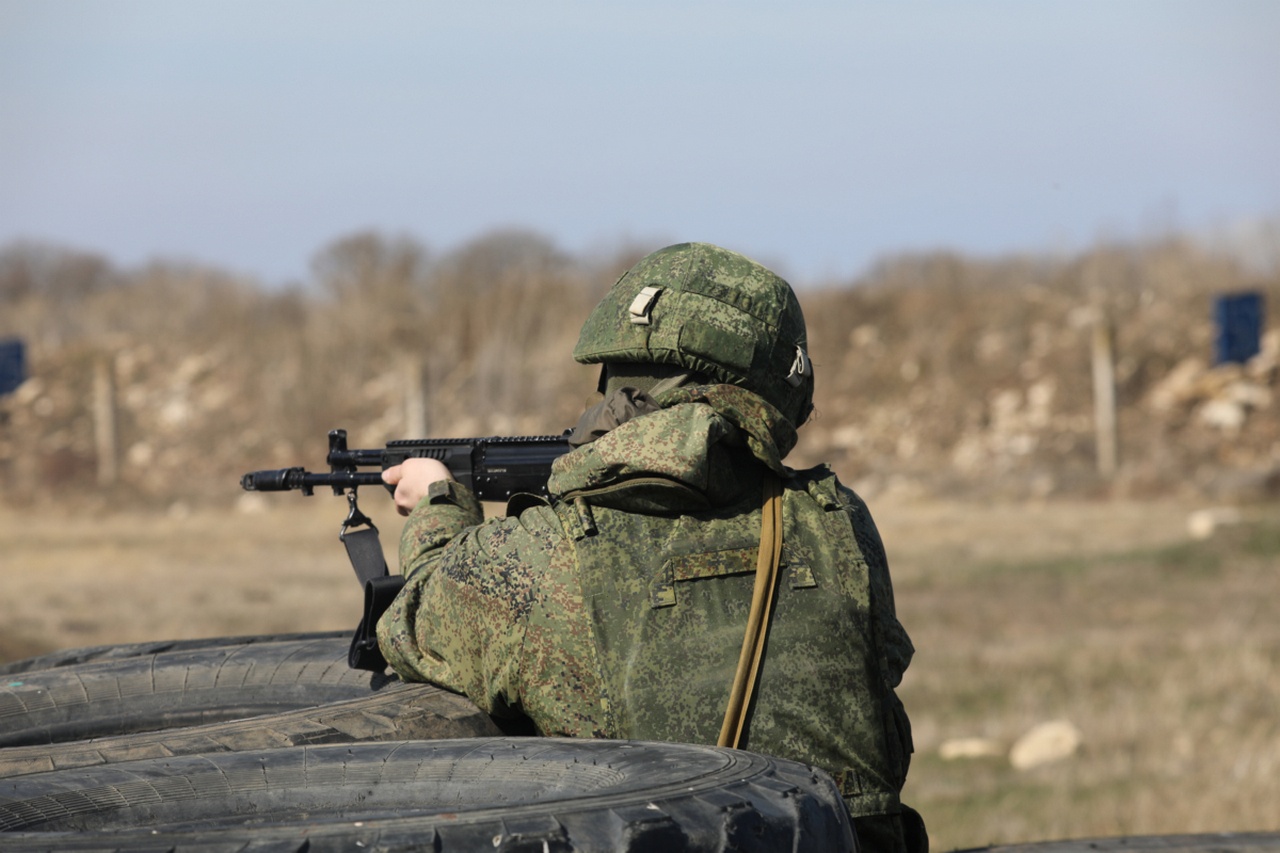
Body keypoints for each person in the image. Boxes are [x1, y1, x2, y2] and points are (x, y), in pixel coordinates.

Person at [376, 242, 927, 853]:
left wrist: (437, 506)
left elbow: (413, 623)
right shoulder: (840, 520)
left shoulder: (541, 558)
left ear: (622, 379)